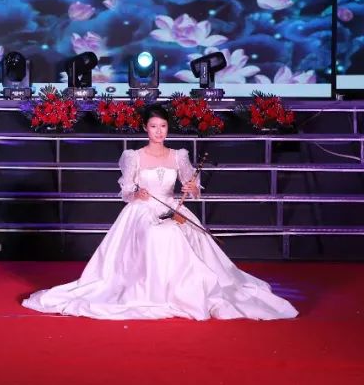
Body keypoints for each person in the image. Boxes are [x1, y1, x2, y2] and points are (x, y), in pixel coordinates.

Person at [23, 104, 297, 320]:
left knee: (180, 233)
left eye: (163, 126)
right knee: (160, 236)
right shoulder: (134, 156)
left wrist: (191, 187)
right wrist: (136, 193)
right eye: (154, 126)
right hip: (142, 210)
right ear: (146, 128)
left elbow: (194, 188)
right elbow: (125, 192)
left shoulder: (179, 155)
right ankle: (154, 291)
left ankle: (184, 290)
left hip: (171, 206)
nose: (158, 131)